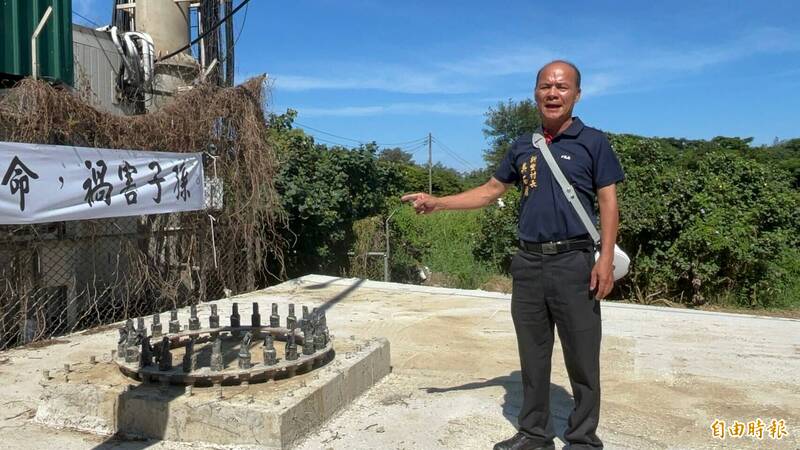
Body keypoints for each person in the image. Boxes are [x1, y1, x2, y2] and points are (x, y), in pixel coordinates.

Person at [401, 60, 624, 450]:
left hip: (575, 262)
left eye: (562, 87)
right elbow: (490, 190)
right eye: (545, 87)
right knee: (532, 353)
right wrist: (439, 202)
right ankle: (535, 434)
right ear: (535, 93)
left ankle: (583, 439)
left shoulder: (594, 142)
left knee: (582, 356)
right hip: (528, 262)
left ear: (576, 95)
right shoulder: (522, 145)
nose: (553, 93)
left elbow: (608, 201)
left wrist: (604, 258)